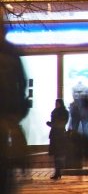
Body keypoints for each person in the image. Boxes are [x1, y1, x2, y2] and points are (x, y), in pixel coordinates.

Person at [0, 24, 30, 191]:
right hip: (9, 112)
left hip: (7, 112)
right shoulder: (12, 53)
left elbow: (22, 82)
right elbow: (22, 82)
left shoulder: (11, 53)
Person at [47, 99, 69, 180]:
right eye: (55, 103)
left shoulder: (64, 112)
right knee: (56, 155)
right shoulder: (55, 111)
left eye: (57, 103)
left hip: (59, 135)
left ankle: (58, 171)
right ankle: (57, 172)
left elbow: (61, 123)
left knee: (59, 154)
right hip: (54, 135)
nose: (56, 104)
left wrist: (52, 124)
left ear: (60, 104)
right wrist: (50, 124)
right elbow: (55, 123)